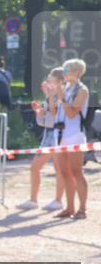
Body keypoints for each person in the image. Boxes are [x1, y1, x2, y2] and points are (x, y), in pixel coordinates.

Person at [17, 68, 66, 211]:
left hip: (58, 135)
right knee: (35, 167)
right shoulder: (51, 95)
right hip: (49, 134)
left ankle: (58, 200)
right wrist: (39, 111)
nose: (48, 80)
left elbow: (56, 114)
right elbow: (46, 118)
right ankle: (33, 200)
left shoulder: (62, 95)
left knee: (59, 169)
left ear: (59, 81)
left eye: (51, 78)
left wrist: (49, 97)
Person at [54, 58, 90, 220]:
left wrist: (61, 98)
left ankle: (82, 209)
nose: (64, 73)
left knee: (77, 172)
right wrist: (52, 96)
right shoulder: (65, 88)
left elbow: (72, 113)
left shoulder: (82, 90)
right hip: (60, 136)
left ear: (76, 71)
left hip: (75, 135)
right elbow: (55, 113)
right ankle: (69, 208)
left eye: (67, 70)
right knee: (64, 172)